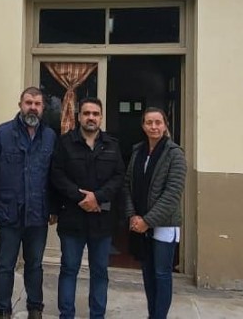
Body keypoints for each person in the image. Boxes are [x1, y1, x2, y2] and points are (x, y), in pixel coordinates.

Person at [0, 87, 58, 319]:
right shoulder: (2, 133)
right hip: (8, 213)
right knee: (6, 265)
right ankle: (2, 309)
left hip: (38, 214)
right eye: (28, 102)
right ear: (20, 105)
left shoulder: (50, 137)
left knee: (35, 265)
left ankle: (35, 307)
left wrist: (53, 209)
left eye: (37, 103)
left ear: (43, 108)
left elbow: (54, 176)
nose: (32, 107)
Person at [51, 97, 125, 319]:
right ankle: (66, 314)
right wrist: (79, 196)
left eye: (95, 113)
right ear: (79, 117)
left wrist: (97, 197)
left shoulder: (112, 145)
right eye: (86, 113)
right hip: (72, 218)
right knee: (69, 270)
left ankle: (97, 315)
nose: (91, 117)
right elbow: (56, 174)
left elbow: (119, 177)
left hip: (101, 220)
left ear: (101, 117)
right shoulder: (64, 143)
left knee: (100, 272)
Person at [124, 107, 187, 319]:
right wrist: (133, 215)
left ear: (165, 125)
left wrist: (148, 221)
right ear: (143, 126)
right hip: (140, 222)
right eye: (149, 122)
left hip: (164, 224)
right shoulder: (137, 152)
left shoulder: (175, 154)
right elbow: (127, 185)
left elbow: (172, 193)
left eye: (158, 122)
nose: (154, 127)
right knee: (147, 274)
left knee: (161, 274)